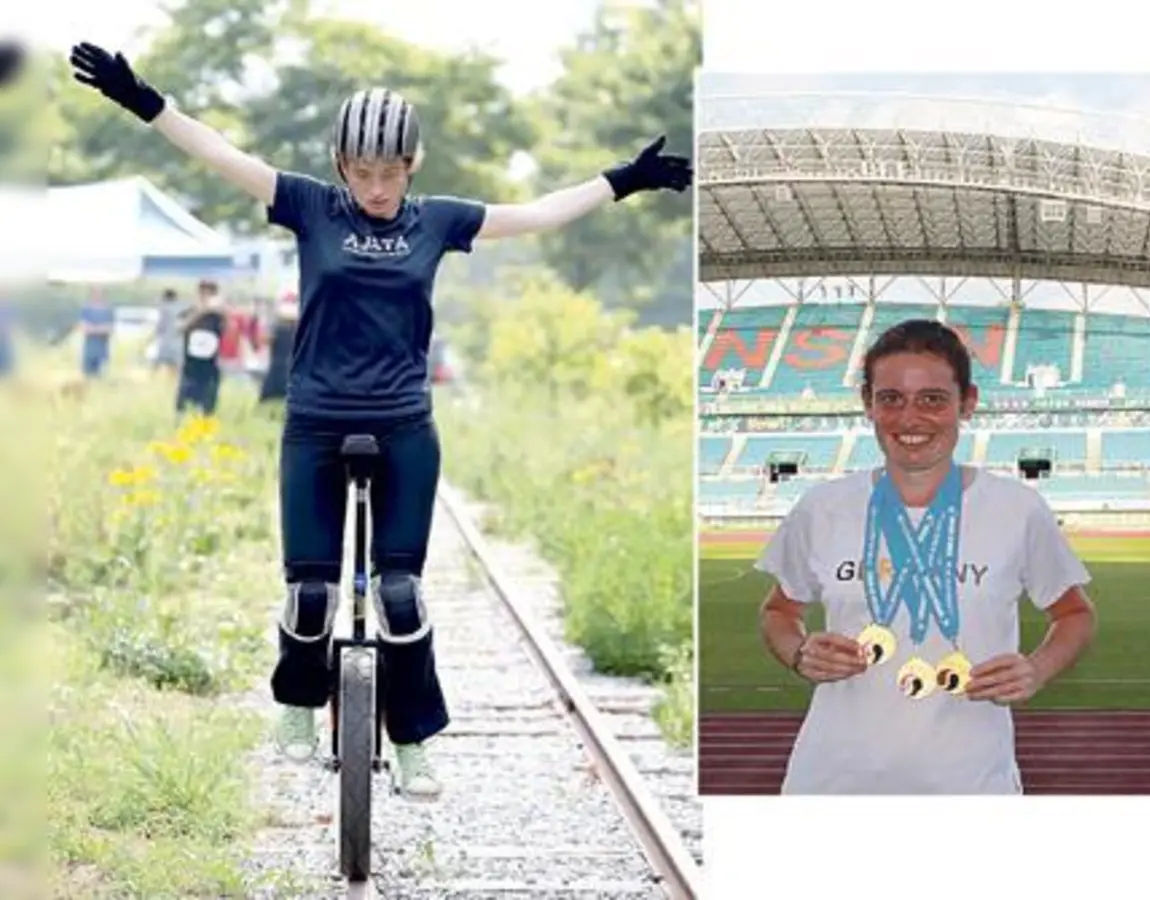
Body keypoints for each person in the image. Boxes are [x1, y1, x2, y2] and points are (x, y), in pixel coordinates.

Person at [69, 41, 691, 799]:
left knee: (400, 594)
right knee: (310, 595)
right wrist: (144, 100)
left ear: (412, 164)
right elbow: (220, 152)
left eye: (389, 172)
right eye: (361, 172)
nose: (374, 186)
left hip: (402, 424)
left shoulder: (437, 221)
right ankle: (298, 706)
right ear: (339, 164)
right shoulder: (308, 205)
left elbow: (535, 214)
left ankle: (412, 740)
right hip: (315, 423)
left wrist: (624, 179)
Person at [754, 319, 1098, 795]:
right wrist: (798, 652)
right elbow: (778, 610)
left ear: (968, 403)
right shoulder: (823, 507)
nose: (909, 418)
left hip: (970, 782)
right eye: (891, 398)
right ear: (868, 406)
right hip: (831, 780)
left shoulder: (1017, 509)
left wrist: (1036, 668)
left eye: (932, 399)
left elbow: (1075, 614)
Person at [174, 280, 226, 417]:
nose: (206, 297)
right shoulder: (189, 312)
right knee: (183, 407)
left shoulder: (218, 316)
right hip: (190, 366)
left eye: (210, 294)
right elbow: (179, 328)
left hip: (210, 367)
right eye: (203, 293)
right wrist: (200, 312)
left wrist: (222, 310)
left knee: (207, 408)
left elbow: (229, 331)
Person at [257, 291, 298, 406]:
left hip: (281, 362)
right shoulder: (280, 325)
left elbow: (265, 340)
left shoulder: (278, 324)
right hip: (284, 362)